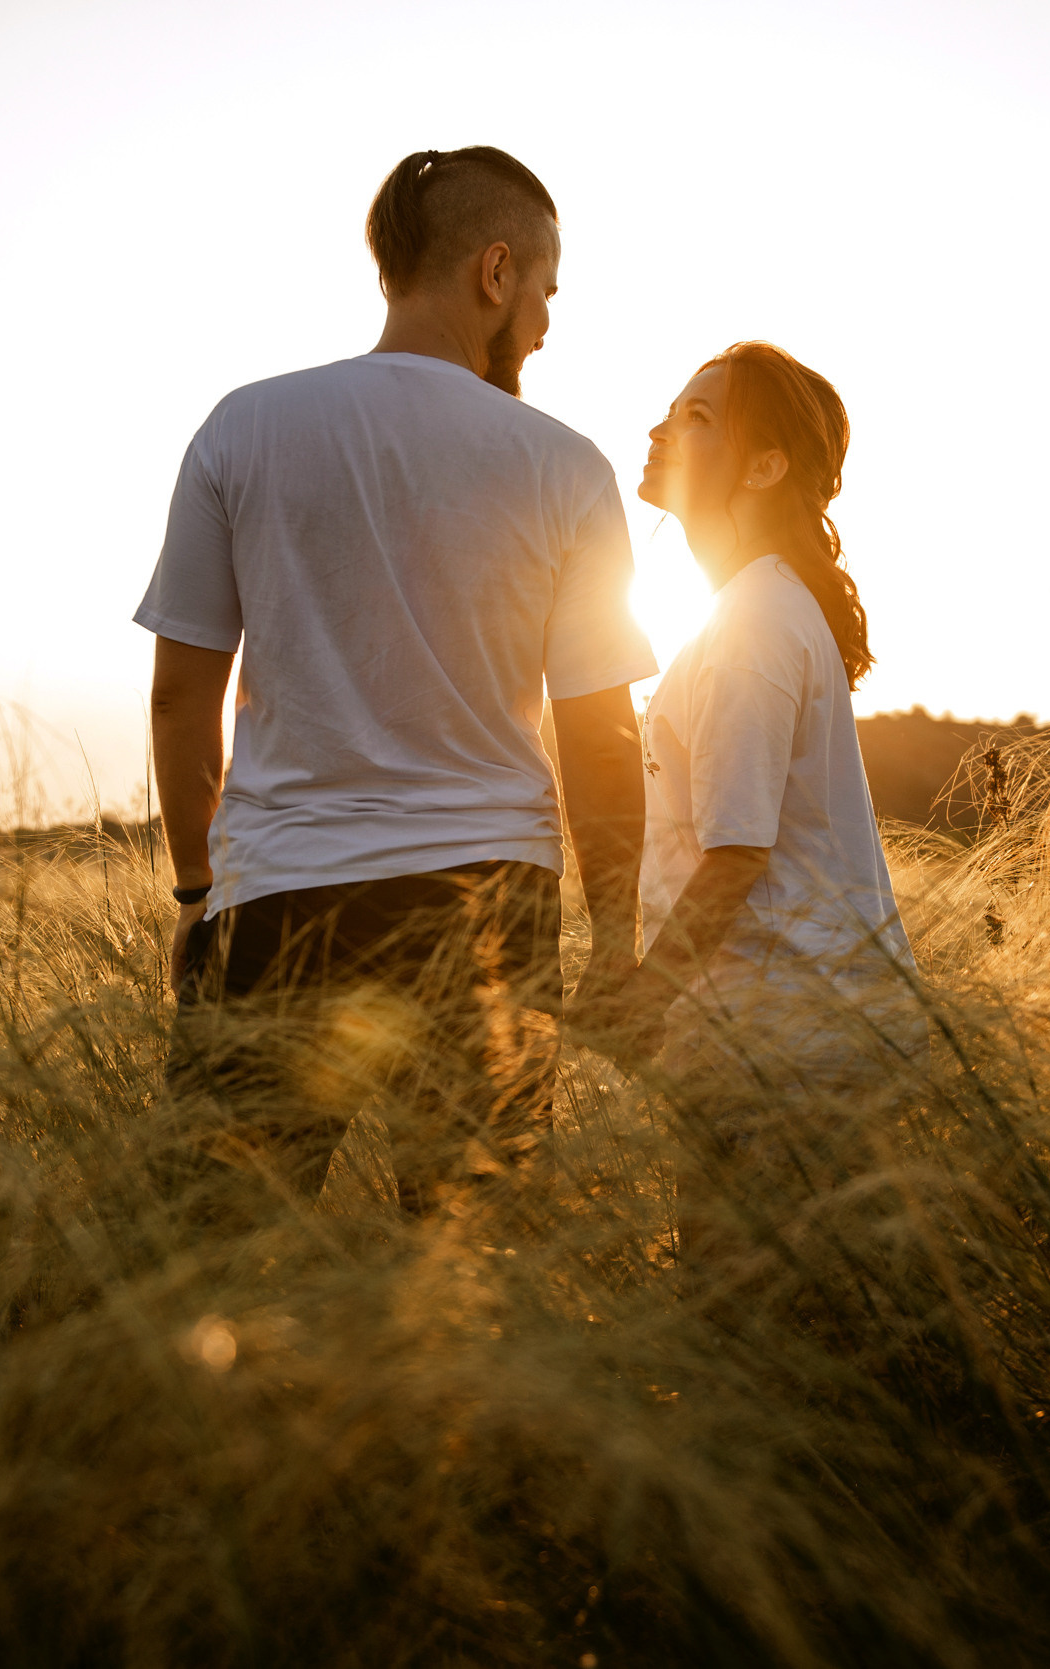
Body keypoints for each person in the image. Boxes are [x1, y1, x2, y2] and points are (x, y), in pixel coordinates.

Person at [136, 147, 654, 1225]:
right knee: (468, 1265)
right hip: (486, 909)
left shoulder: (244, 426)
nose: (549, 327)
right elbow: (599, 731)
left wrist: (199, 894)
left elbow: (181, 697)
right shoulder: (564, 466)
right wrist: (611, 939)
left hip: (276, 901)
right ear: (495, 272)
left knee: (213, 1248)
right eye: (549, 294)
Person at [606, 342, 924, 1273]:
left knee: (739, 1329)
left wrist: (637, 1001)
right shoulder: (759, 609)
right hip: (805, 1033)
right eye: (669, 409)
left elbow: (735, 856)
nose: (662, 427)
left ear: (765, 465)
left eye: (698, 416)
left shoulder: (750, 625)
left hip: (785, 1049)